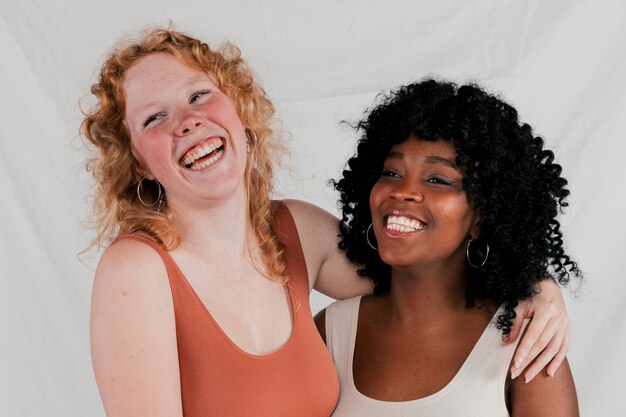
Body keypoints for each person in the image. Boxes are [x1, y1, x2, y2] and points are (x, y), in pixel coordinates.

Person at [81, 27, 572, 417]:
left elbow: (419, 263)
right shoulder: (138, 270)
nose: (186, 122)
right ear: (138, 163)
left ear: (238, 108)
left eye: (199, 96)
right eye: (153, 118)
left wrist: (536, 282)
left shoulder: (296, 231)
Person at [315, 79, 580, 416]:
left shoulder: (528, 343)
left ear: (481, 218)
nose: (402, 191)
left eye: (437, 179)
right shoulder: (331, 332)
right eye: (392, 172)